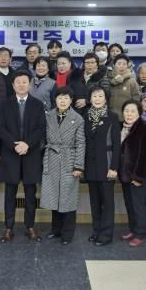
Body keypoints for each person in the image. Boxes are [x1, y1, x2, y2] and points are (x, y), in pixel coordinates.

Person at [0, 70, 47, 243]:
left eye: (24, 81)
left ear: (30, 84)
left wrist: (27, 144)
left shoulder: (37, 105)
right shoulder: (4, 104)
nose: (21, 84)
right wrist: (14, 145)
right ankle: (8, 228)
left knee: (30, 194)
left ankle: (30, 227)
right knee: (9, 193)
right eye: (18, 82)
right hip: (10, 154)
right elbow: (0, 127)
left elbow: (41, 128)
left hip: (31, 154)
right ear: (13, 85)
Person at [41, 87, 85, 245]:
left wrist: (78, 166)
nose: (63, 101)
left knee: (68, 198)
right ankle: (56, 230)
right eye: (60, 98)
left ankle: (67, 234)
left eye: (66, 98)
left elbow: (81, 143)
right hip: (52, 158)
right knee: (54, 196)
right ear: (55, 100)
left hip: (69, 160)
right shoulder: (48, 115)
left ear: (71, 100)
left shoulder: (78, 119)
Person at [83, 86, 120, 246]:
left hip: (107, 163)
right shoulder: (85, 116)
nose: (97, 99)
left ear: (105, 99)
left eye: (100, 96)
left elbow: (117, 145)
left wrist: (114, 167)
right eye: (94, 96)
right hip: (91, 165)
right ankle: (96, 230)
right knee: (95, 202)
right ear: (90, 98)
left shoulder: (112, 117)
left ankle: (106, 235)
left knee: (107, 202)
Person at [119, 100, 146, 247]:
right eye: (126, 111)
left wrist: (139, 177)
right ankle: (133, 229)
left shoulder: (144, 130)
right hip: (125, 175)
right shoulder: (121, 128)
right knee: (129, 204)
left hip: (138, 176)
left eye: (133, 111)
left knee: (138, 205)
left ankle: (140, 234)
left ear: (139, 113)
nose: (129, 114)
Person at [108, 54, 141, 121]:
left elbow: (136, 98)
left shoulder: (132, 81)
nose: (121, 66)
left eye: (124, 64)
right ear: (114, 65)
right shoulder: (108, 79)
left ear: (127, 66)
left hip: (126, 117)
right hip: (110, 116)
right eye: (119, 63)